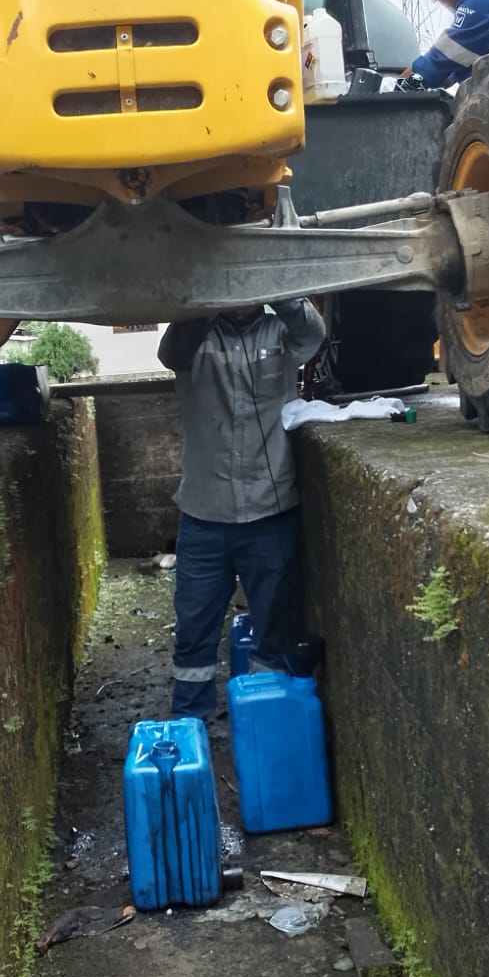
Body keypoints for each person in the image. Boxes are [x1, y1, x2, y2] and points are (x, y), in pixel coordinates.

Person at [158, 299, 326, 721]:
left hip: (271, 513)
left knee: (274, 631)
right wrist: (207, 299)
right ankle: (190, 724)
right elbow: (171, 354)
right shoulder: (194, 335)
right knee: (194, 631)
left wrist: (275, 288)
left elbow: (313, 333)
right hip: (204, 516)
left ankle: (263, 725)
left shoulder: (281, 333)